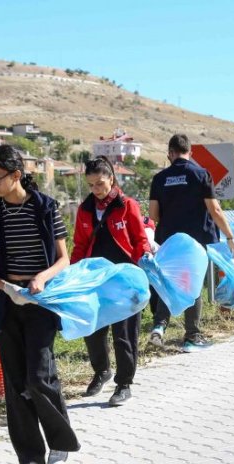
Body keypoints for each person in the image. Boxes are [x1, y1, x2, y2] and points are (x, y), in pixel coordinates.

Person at [0, 144, 79, 464]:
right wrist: (8, 288)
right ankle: (29, 456)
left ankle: (60, 444)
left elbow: (64, 259)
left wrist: (40, 279)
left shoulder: (47, 208)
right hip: (6, 303)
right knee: (16, 382)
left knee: (39, 375)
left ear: (16, 175)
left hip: (41, 300)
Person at [70, 156, 150, 406]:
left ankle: (124, 383)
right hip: (96, 280)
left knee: (124, 334)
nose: (96, 189)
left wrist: (143, 263)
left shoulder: (128, 206)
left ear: (111, 179)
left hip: (125, 280)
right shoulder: (84, 209)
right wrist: (73, 275)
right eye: (91, 184)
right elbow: (80, 245)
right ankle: (102, 370)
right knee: (92, 329)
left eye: (100, 183)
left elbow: (140, 240)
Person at [148, 134, 234, 351]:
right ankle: (192, 336)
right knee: (193, 284)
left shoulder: (159, 178)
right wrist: (230, 236)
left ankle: (159, 327)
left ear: (170, 153)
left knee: (168, 282)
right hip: (196, 241)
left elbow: (153, 215)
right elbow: (214, 210)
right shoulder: (201, 174)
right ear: (190, 152)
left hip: (168, 241)